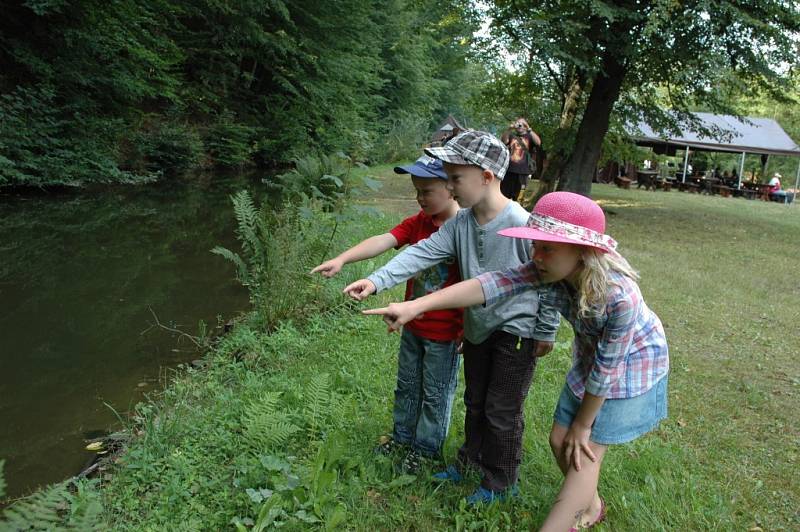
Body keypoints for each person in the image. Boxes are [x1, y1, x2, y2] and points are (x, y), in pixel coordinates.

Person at [365, 191, 669, 530]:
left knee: (583, 451)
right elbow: (490, 284)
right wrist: (415, 306)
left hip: (633, 365)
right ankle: (592, 504)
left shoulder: (618, 296)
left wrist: (583, 426)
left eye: (546, 248)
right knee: (559, 440)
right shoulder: (547, 270)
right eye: (535, 245)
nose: (535, 255)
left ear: (584, 252)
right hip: (591, 360)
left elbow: (608, 370)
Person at [344, 130, 560, 505]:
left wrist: (546, 330)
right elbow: (420, 253)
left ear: (487, 177)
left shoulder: (522, 223)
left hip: (517, 331)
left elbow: (549, 280)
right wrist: (376, 280)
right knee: (475, 401)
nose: (449, 185)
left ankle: (500, 482)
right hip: (477, 328)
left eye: (455, 178)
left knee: (501, 411)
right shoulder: (459, 224)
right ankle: (469, 462)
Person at [311, 155, 463, 473]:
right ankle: (402, 437)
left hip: (446, 333)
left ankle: (426, 450)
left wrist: (466, 329)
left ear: (452, 188)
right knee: (407, 384)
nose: (420, 197)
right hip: (411, 325)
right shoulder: (419, 222)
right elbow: (384, 239)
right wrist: (343, 259)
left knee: (435, 393)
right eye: (416, 190)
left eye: (427, 190)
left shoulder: (463, 230)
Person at [500, 118, 541, 200]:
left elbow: (538, 143)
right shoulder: (511, 135)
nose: (520, 125)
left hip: (523, 172)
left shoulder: (530, 136)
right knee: (504, 195)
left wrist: (529, 129)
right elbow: (503, 141)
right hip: (509, 170)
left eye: (522, 123)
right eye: (518, 123)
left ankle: (515, 211)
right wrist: (509, 129)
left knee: (518, 197)